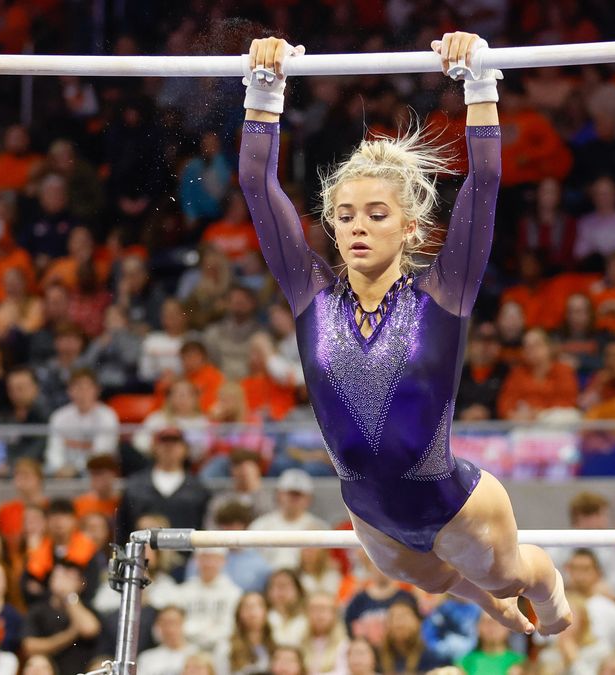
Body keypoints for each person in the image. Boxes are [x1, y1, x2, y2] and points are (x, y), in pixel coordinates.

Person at [240, 32, 569, 635]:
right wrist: (265, 86)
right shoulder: (309, 292)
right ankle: (484, 598)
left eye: (375, 214)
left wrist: (478, 79)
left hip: (453, 506)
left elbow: (486, 181)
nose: (356, 227)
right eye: (343, 216)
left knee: (509, 578)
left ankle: (550, 599)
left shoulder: (445, 291)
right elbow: (258, 186)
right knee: (432, 580)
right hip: (367, 511)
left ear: (411, 227)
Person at [116, 428, 212, 538]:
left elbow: (204, 526)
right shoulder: (135, 485)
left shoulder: (198, 488)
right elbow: (123, 526)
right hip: (144, 552)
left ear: (185, 449)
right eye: (164, 443)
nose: (169, 448)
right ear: (154, 448)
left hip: (187, 552)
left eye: (175, 443)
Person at [22, 560, 101, 675]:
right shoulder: (37, 609)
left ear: (81, 583)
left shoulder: (87, 608)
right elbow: (29, 646)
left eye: (69, 577)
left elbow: (89, 629)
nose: (63, 581)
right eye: (59, 575)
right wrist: (70, 635)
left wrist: (69, 596)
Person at [44, 369, 120, 477]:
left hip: (95, 472)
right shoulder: (59, 417)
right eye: (78, 388)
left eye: (87, 388)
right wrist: (59, 467)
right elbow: (54, 450)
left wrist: (76, 469)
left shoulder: (107, 416)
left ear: (97, 390)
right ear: (69, 391)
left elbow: (102, 452)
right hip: (63, 474)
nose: (83, 393)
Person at [248, 469, 329, 571]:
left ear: (309, 498)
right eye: (290, 494)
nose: (294, 499)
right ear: (278, 494)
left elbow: (324, 567)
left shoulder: (319, 528)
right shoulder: (260, 526)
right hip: (265, 581)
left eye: (299, 495)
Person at [564, 549, 615, 651]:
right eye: (575, 568)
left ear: (598, 572)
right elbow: (541, 646)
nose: (579, 576)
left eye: (585, 569)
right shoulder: (555, 608)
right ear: (567, 570)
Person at [137, 605, 198, 675]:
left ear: (183, 623)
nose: (169, 628)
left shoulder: (197, 655)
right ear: (158, 625)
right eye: (164, 623)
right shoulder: (146, 658)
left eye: (173, 622)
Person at [459, 611, 525, 675]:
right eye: (487, 622)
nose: (492, 627)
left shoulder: (521, 663)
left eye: (499, 622)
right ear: (477, 627)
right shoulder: (465, 663)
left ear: (509, 628)